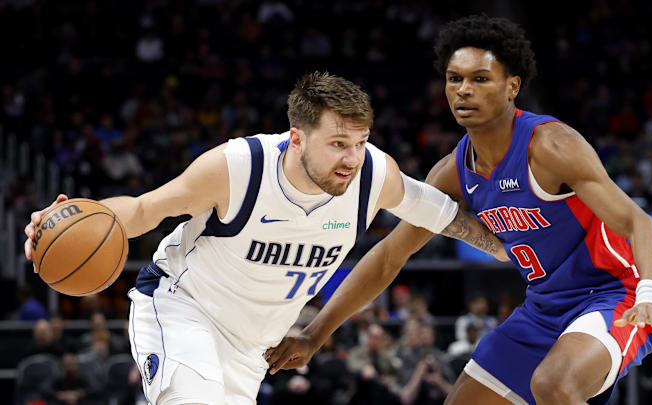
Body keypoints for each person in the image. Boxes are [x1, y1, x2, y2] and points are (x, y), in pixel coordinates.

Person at [263, 16, 652, 405]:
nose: (463, 89)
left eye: (480, 79)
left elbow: (639, 223)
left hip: (616, 295)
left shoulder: (551, 146)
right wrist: (315, 335)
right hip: (543, 307)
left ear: (512, 86)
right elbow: (391, 255)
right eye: (454, 79)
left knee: (554, 384)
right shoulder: (452, 171)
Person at [24, 71, 507, 405]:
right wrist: (70, 218)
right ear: (296, 138)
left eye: (360, 143)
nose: (352, 158)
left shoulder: (374, 175)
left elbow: (445, 216)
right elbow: (145, 209)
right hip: (184, 308)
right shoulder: (238, 167)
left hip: (253, 347)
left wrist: (517, 250)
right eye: (338, 143)